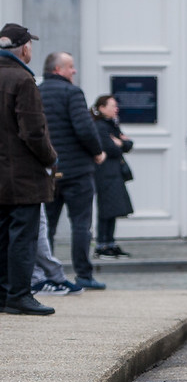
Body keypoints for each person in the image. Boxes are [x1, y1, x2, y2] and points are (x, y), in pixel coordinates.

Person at [0, 24, 57, 315]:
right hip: (22, 177)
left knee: (1, 236)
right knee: (22, 237)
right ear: (24, 49)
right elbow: (33, 132)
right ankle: (19, 295)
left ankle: (2, 294)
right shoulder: (23, 80)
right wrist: (50, 159)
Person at [40, 51, 105, 291]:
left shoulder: (36, 91)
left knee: (47, 227)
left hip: (48, 171)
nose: (74, 71)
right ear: (57, 70)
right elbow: (84, 128)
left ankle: (47, 275)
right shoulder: (72, 93)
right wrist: (98, 152)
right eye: (70, 67)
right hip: (77, 171)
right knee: (81, 224)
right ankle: (84, 275)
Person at [91, 95, 134, 258]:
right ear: (101, 108)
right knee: (106, 209)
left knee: (114, 208)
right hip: (105, 173)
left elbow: (128, 145)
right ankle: (102, 244)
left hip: (114, 172)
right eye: (112, 105)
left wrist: (120, 142)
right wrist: (119, 143)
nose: (116, 108)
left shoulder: (112, 125)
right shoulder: (100, 127)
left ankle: (110, 242)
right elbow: (111, 148)